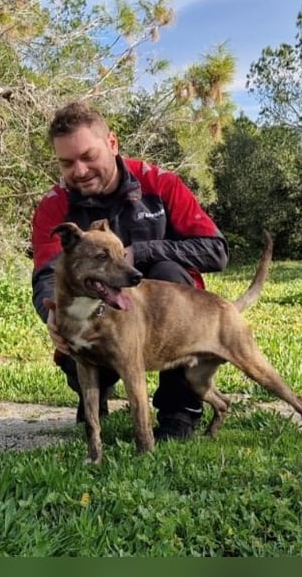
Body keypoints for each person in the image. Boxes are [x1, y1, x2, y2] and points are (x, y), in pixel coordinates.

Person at [30, 101, 229, 441]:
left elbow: (216, 250)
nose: (78, 171)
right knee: (70, 316)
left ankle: (179, 409)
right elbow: (46, 273)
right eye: (67, 163)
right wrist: (51, 311)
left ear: (112, 143)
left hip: (163, 314)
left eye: (88, 156)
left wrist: (144, 251)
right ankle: (94, 394)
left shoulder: (160, 184)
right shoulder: (54, 205)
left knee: (170, 272)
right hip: (101, 314)